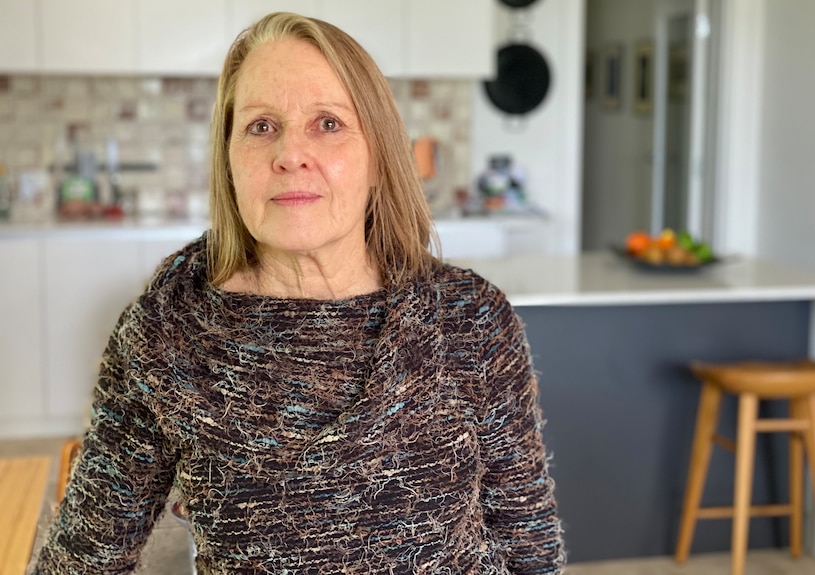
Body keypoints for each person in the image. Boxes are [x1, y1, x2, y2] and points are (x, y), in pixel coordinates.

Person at [32, 12, 565, 574]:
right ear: (230, 160)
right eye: (261, 126)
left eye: (328, 124)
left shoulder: (471, 319)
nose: (290, 153)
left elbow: (528, 542)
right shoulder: (165, 333)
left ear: (379, 157)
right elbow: (84, 558)